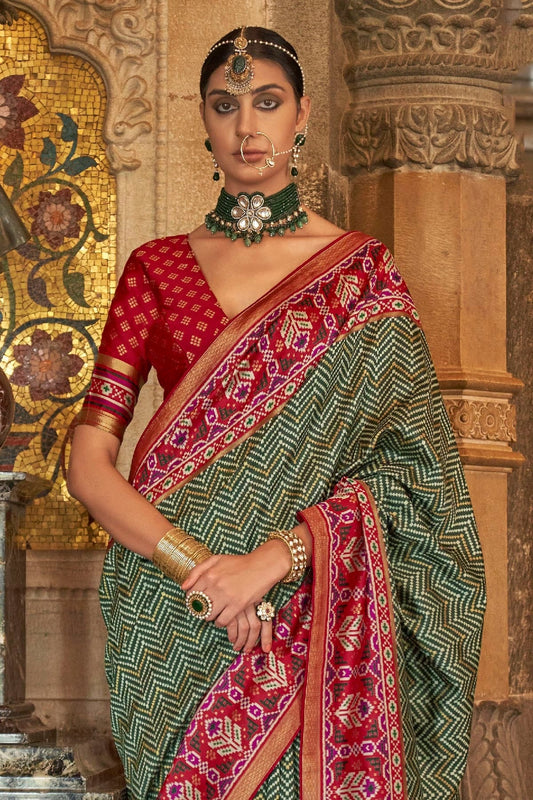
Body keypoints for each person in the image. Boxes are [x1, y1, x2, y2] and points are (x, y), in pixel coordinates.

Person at [68, 25, 486, 800]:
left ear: (301, 115)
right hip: (171, 613)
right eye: (224, 105)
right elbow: (88, 463)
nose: (246, 126)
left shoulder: (361, 276)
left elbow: (414, 479)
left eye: (267, 102)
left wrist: (272, 562)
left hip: (311, 601)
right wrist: (201, 574)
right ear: (203, 119)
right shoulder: (156, 268)